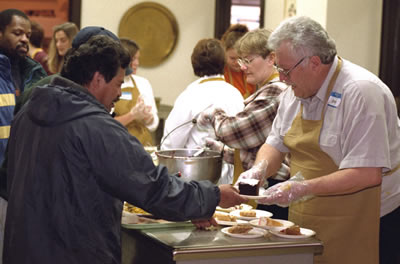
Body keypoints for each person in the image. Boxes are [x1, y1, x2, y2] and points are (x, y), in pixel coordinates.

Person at [3, 34, 247, 264]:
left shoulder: (28, 112)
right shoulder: (96, 127)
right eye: (118, 83)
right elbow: (152, 187)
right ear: (98, 78)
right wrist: (212, 196)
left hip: (25, 249)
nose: (120, 93)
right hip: (74, 252)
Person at [237, 16, 400, 264]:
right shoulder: (294, 91)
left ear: (314, 62)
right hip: (309, 214)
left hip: (367, 218)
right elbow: (275, 143)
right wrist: (259, 170)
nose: (281, 78)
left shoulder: (361, 92)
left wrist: (301, 188)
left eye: (285, 70)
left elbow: (367, 173)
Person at [196, 28, 290, 219]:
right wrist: (220, 151)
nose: (243, 67)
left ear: (271, 58)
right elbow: (253, 150)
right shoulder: (267, 89)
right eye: (241, 61)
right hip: (264, 182)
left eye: (248, 60)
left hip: (270, 186)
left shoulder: (275, 91)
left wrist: (215, 113)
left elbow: (234, 133)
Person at [161, 38, 244, 184]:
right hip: (230, 176)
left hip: (198, 176)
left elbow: (171, 143)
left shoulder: (190, 95)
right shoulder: (235, 94)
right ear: (223, 62)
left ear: (194, 63)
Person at [0, 9, 47, 262]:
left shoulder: (36, 74)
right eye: (17, 33)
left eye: (27, 34)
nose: (24, 39)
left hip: (28, 188)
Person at [113, 38, 159, 146]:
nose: (137, 63)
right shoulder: (109, 83)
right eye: (133, 59)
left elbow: (153, 124)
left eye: (138, 59)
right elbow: (105, 125)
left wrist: (148, 117)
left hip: (142, 146)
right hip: (118, 145)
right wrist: (132, 115)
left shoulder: (143, 83)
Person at [221, 24, 255, 98]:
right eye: (232, 58)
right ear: (224, 53)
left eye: (240, 58)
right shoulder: (221, 73)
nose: (237, 62)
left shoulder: (252, 71)